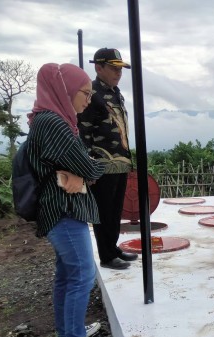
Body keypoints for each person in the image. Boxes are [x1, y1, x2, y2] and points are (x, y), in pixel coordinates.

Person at [27, 63, 116, 337]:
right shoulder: (53, 123)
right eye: (85, 92)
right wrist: (97, 168)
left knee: (66, 275)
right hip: (64, 210)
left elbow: (80, 165)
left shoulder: (50, 119)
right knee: (82, 275)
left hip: (58, 209)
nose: (88, 99)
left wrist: (83, 168)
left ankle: (68, 334)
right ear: (64, 91)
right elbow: (89, 167)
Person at [78, 48, 137, 270]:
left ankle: (113, 248)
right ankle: (106, 255)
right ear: (98, 67)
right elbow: (83, 133)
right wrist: (88, 166)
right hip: (101, 164)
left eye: (120, 68)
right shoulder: (91, 94)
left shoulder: (115, 92)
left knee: (115, 211)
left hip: (119, 162)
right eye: (113, 68)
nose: (118, 72)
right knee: (103, 212)